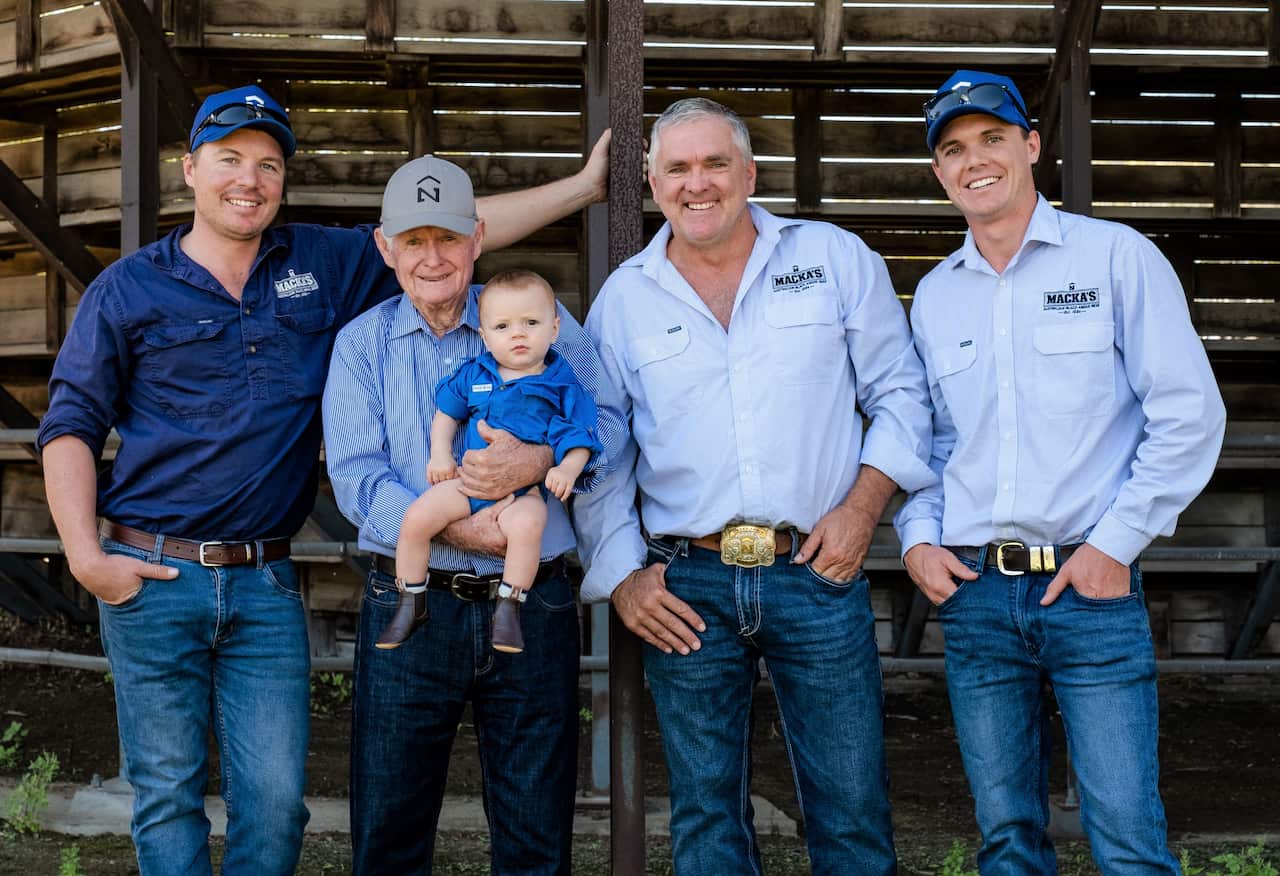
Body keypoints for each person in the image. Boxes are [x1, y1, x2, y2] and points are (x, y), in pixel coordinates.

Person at [35, 84, 610, 875]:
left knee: (275, 804)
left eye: (268, 164)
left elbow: (451, 239)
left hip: (269, 581)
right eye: (230, 160)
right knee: (169, 793)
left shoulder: (321, 264)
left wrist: (583, 188)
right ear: (190, 169)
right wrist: (83, 556)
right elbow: (70, 424)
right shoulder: (131, 288)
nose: (249, 179)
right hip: (156, 572)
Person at [574, 97, 936, 875]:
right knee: (706, 817)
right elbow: (600, 455)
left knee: (850, 810)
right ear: (652, 182)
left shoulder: (834, 260)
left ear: (750, 174)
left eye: (714, 164)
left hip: (817, 566)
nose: (696, 184)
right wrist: (623, 577)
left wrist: (863, 508)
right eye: (677, 168)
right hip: (687, 581)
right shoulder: (626, 300)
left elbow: (902, 395)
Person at [894, 69, 1226, 874]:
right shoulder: (936, 296)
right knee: (1007, 839)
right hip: (975, 593)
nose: (975, 161)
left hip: (1090, 587)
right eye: (954, 150)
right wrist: (916, 539)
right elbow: (932, 441)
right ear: (940, 173)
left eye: (992, 139)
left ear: (1031, 146)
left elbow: (1188, 415)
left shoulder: (1116, 257)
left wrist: (1115, 545)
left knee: (1127, 839)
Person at [322, 154, 626, 875]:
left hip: (534, 601)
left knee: (534, 827)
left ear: (479, 237)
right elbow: (356, 478)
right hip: (411, 598)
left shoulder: (537, 322)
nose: (433, 258)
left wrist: (533, 464)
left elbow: (611, 426)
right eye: (414, 240)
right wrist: (456, 525)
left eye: (449, 238)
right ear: (384, 247)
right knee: (390, 826)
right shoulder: (361, 346)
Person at [380, 268, 602, 653]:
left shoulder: (562, 383)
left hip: (523, 493)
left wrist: (567, 468)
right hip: (467, 483)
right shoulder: (475, 373)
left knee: (530, 525)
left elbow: (579, 435)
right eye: (502, 326)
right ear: (483, 335)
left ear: (554, 328)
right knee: (415, 518)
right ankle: (411, 600)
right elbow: (446, 412)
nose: (517, 334)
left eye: (530, 323)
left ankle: (509, 607)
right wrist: (439, 454)